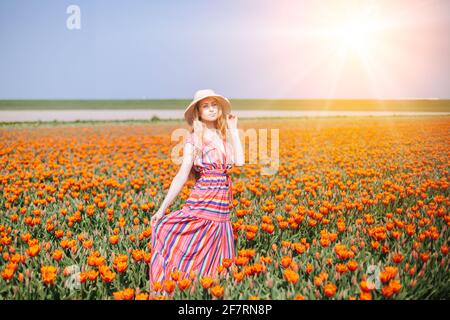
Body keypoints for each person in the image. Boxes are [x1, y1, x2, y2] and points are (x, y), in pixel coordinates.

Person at [148, 89, 244, 298]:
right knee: (167, 229)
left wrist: (234, 130)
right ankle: (177, 289)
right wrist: (162, 209)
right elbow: (182, 175)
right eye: (205, 106)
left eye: (214, 105)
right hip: (202, 200)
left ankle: (207, 292)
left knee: (216, 252)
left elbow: (240, 162)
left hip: (221, 206)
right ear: (198, 112)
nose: (211, 109)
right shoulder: (194, 139)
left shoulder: (224, 137)